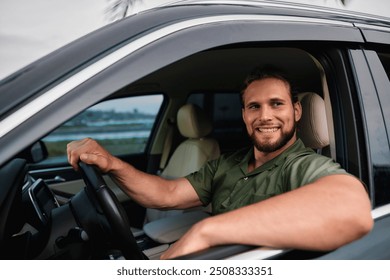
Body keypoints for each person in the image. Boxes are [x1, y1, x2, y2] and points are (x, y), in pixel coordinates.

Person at [67, 67, 373, 260]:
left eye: (276, 104)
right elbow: (167, 194)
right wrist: (111, 163)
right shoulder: (228, 163)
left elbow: (352, 208)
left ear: (296, 111)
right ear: (244, 115)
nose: (265, 115)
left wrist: (208, 230)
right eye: (254, 106)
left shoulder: (302, 166)